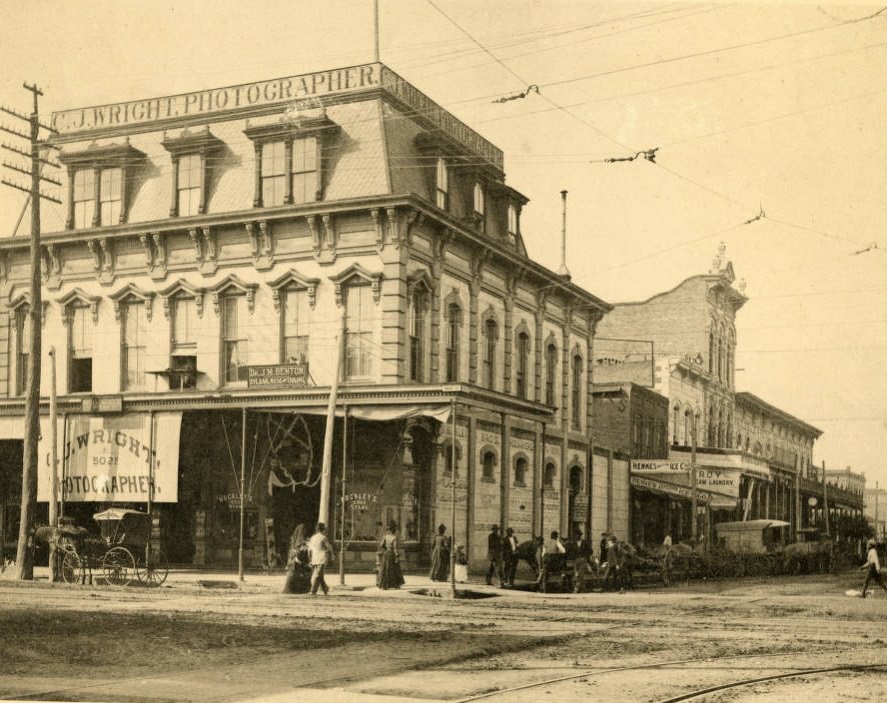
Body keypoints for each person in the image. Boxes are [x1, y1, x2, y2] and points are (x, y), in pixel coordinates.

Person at [282, 523, 311, 594]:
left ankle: (290, 589)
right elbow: (302, 552)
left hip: (292, 563)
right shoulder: (302, 542)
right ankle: (299, 590)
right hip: (298, 562)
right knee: (301, 576)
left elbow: (292, 553)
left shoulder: (293, 540)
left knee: (292, 577)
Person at [377, 520, 405, 589]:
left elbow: (381, 545)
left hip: (386, 554)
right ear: (394, 530)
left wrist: (386, 548)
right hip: (392, 554)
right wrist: (397, 556)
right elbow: (395, 548)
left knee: (385, 569)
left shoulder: (385, 536)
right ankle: (395, 585)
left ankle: (384, 585)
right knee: (393, 569)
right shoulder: (394, 537)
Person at [307, 522, 333, 595]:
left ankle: (324, 589)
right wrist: (332, 555)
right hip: (322, 557)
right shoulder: (323, 538)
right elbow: (329, 547)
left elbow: (309, 550)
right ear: (323, 530)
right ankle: (314, 590)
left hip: (314, 558)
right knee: (319, 574)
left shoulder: (312, 537)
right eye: (325, 529)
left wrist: (310, 559)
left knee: (319, 573)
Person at [573, 529, 592, 593]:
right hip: (576, 560)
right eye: (575, 535)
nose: (576, 536)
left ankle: (576, 589)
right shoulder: (574, 543)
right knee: (578, 574)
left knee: (580, 574)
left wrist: (586, 556)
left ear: (580, 536)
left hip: (583, 560)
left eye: (577, 535)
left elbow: (590, 551)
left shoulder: (585, 542)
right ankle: (584, 588)